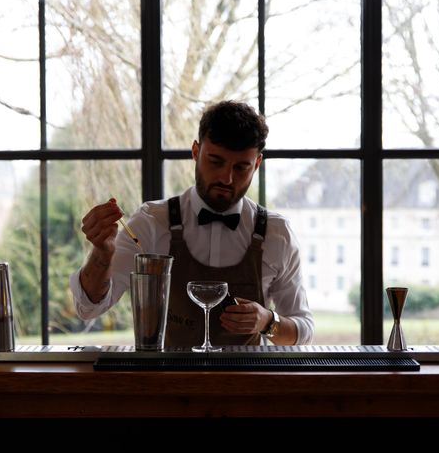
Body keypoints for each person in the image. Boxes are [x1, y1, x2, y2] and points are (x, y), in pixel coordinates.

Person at [70, 100, 314, 346]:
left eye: (241, 167)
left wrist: (267, 322)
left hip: (248, 382)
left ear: (257, 164)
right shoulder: (152, 222)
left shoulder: (276, 233)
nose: (226, 178)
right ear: (196, 152)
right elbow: (88, 308)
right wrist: (102, 253)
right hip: (168, 381)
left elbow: (303, 331)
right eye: (215, 161)